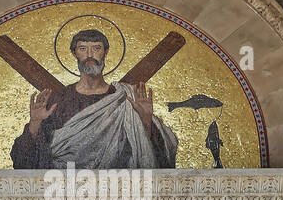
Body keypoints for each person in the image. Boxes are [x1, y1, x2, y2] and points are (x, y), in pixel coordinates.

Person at [10, 27, 177, 170]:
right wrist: (35, 123)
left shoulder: (124, 98)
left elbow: (160, 161)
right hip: (64, 191)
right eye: (83, 49)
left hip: (118, 191)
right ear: (74, 53)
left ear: (105, 52)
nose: (90, 55)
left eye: (96, 48)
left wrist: (146, 121)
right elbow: (23, 163)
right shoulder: (57, 100)